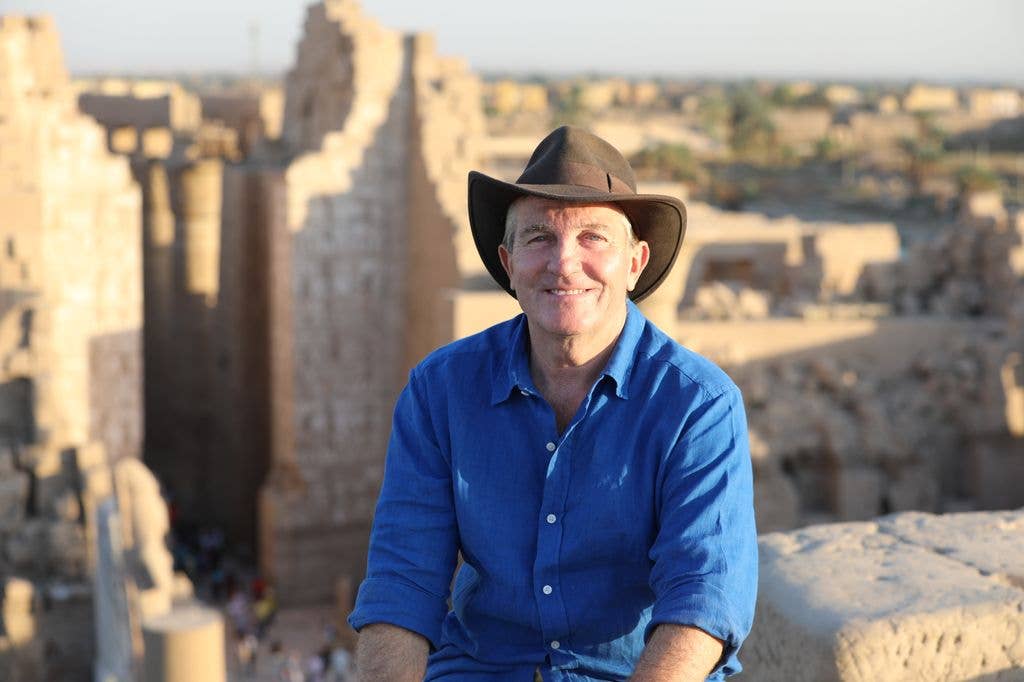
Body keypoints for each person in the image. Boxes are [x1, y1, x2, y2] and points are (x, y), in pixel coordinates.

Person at [348, 126, 758, 681]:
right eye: (539, 237)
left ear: (635, 263)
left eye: (593, 237)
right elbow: (404, 580)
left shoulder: (697, 406)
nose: (564, 263)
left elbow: (704, 597)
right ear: (509, 262)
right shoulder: (440, 391)